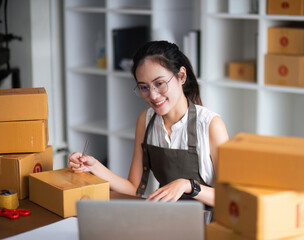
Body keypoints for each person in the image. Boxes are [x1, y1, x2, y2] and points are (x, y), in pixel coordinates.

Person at [68, 40, 229, 207]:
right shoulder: (145, 121)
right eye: (144, 87)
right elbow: (133, 189)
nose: (152, 95)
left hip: (206, 224)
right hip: (165, 219)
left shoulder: (210, 124)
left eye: (159, 83)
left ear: (181, 76)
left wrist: (188, 185)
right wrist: (94, 167)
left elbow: (231, 198)